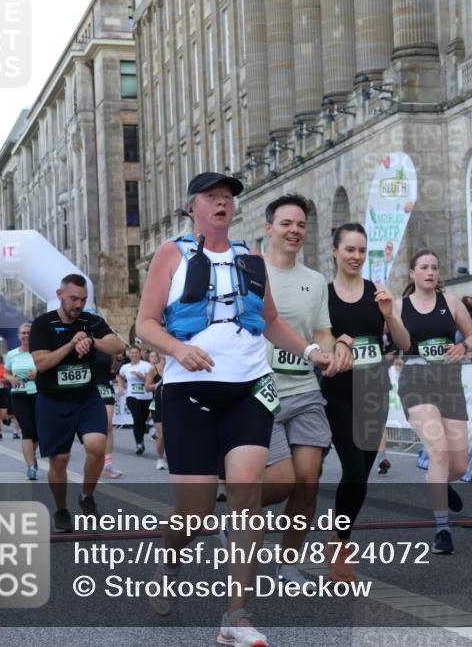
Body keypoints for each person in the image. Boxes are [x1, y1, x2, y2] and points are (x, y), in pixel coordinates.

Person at [135, 171, 335, 644]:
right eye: (212, 196)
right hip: (190, 391)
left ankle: (236, 617)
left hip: (249, 389)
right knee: (197, 513)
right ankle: (169, 562)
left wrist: (310, 352)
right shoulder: (172, 253)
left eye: (228, 197)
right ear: (192, 207)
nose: (222, 203)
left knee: (247, 498)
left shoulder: (251, 258)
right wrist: (176, 349)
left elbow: (270, 322)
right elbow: (145, 323)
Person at [258, 194, 352, 592]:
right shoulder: (250, 272)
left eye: (300, 225)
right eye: (286, 224)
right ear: (269, 229)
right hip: (260, 392)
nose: (295, 231)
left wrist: (333, 352)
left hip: (305, 389)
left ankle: (288, 564)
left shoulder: (315, 280)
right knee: (281, 482)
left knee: (309, 479)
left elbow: (321, 332)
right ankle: (240, 516)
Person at [322, 223, 411, 581]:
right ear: (335, 251)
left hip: (374, 390)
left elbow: (403, 343)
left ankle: (339, 536)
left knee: (363, 475)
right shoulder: (323, 295)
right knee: (354, 470)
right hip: (337, 391)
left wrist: (390, 314)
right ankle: (342, 546)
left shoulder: (378, 293)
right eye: (350, 250)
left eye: (361, 250)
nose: (356, 256)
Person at [394, 250, 472, 554]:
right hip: (416, 385)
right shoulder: (398, 306)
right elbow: (385, 344)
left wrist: (463, 346)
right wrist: (393, 357)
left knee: (459, 466)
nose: (430, 272)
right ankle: (442, 530)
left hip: (449, 385)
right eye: (424, 267)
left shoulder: (452, 303)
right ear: (412, 274)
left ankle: (443, 483)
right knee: (439, 453)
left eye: (435, 267)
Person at [30, 273, 125, 532]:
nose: (78, 305)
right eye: (73, 299)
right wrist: (72, 344)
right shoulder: (42, 325)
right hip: (52, 401)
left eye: (83, 300)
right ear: (60, 295)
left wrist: (92, 340)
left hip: (86, 397)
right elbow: (42, 363)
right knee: (59, 460)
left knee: (96, 445)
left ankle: (87, 496)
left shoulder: (91, 321)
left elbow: (118, 346)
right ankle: (61, 510)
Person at [5, 323, 40, 480]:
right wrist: (11, 378)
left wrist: (39, 374)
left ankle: (31, 454)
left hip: (39, 394)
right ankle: (30, 467)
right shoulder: (12, 354)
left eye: (29, 332)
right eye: (23, 333)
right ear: (19, 336)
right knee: (27, 430)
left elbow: (50, 369)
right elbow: (5, 373)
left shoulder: (40, 352)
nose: (26, 335)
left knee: (38, 432)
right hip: (19, 395)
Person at [117, 346, 153, 456]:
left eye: (136, 353)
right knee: (137, 419)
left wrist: (140, 375)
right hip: (132, 396)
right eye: (132, 353)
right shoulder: (125, 367)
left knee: (142, 420)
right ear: (129, 355)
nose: (134, 355)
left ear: (140, 354)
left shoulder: (146, 365)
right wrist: (121, 388)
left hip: (146, 396)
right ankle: (139, 443)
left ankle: (140, 439)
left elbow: (150, 380)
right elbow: (120, 377)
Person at [93, 351, 124, 478]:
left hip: (105, 387)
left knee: (108, 425)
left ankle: (107, 465)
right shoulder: (85, 344)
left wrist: (118, 359)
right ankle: (94, 460)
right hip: (90, 388)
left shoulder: (107, 347)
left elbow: (114, 368)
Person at [144, 350, 166, 470]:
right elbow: (147, 388)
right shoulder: (153, 369)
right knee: (162, 434)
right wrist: (158, 384)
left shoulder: (175, 368)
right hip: (158, 403)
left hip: (173, 402)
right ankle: (160, 459)